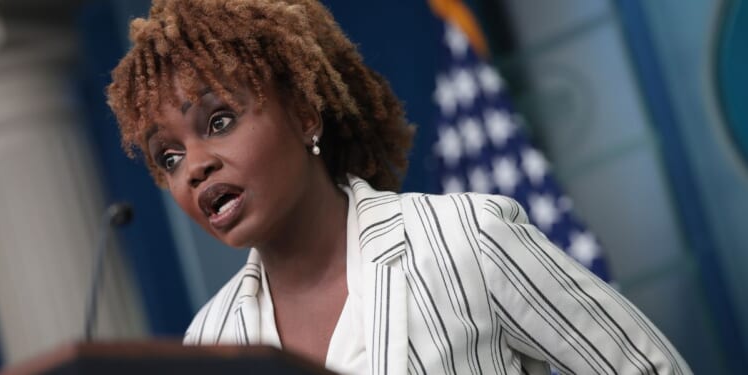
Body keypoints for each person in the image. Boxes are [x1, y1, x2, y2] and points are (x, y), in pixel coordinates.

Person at [106, 0, 692, 374]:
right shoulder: (208, 342)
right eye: (170, 156)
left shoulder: (465, 239)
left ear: (306, 113)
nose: (196, 167)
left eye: (219, 122)